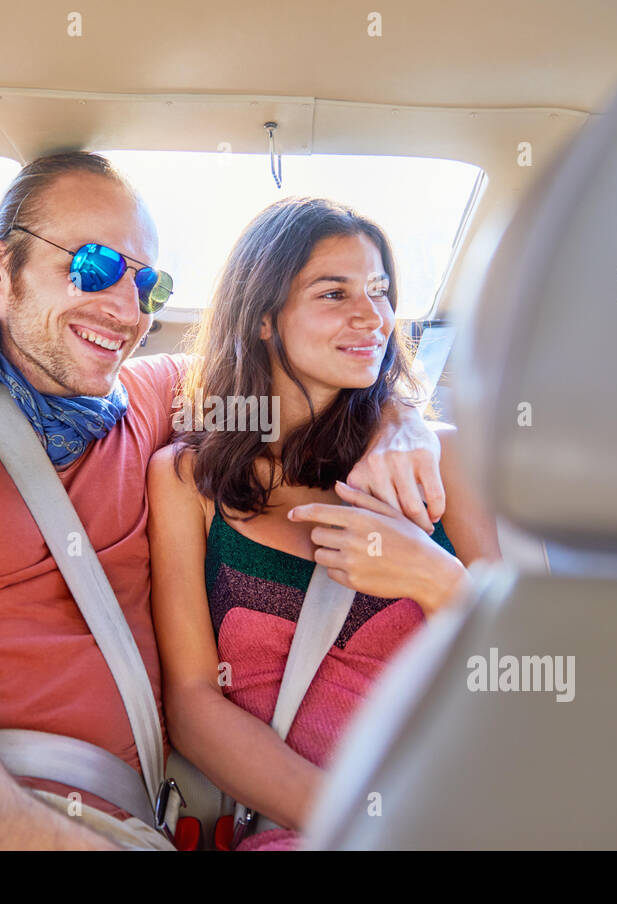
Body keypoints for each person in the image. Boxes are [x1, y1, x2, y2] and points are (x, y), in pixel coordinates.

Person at [0, 152, 448, 850]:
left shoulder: (152, 404)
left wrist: (403, 424)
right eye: (92, 266)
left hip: (104, 821)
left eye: (146, 283)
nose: (127, 311)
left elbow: (315, 374)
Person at [147, 196, 501, 850]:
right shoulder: (185, 480)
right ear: (260, 317)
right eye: (334, 293)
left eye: (381, 291)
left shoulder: (440, 459)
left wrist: (438, 581)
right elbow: (194, 703)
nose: (373, 316)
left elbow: (526, 677)